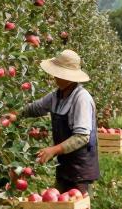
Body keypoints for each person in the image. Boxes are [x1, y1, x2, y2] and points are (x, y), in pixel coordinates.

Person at [20, 49, 99, 194]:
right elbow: (37, 108)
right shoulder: (57, 95)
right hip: (64, 164)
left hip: (80, 167)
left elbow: (82, 137)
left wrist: (53, 150)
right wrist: (17, 115)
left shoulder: (81, 98)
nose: (54, 76)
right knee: (59, 206)